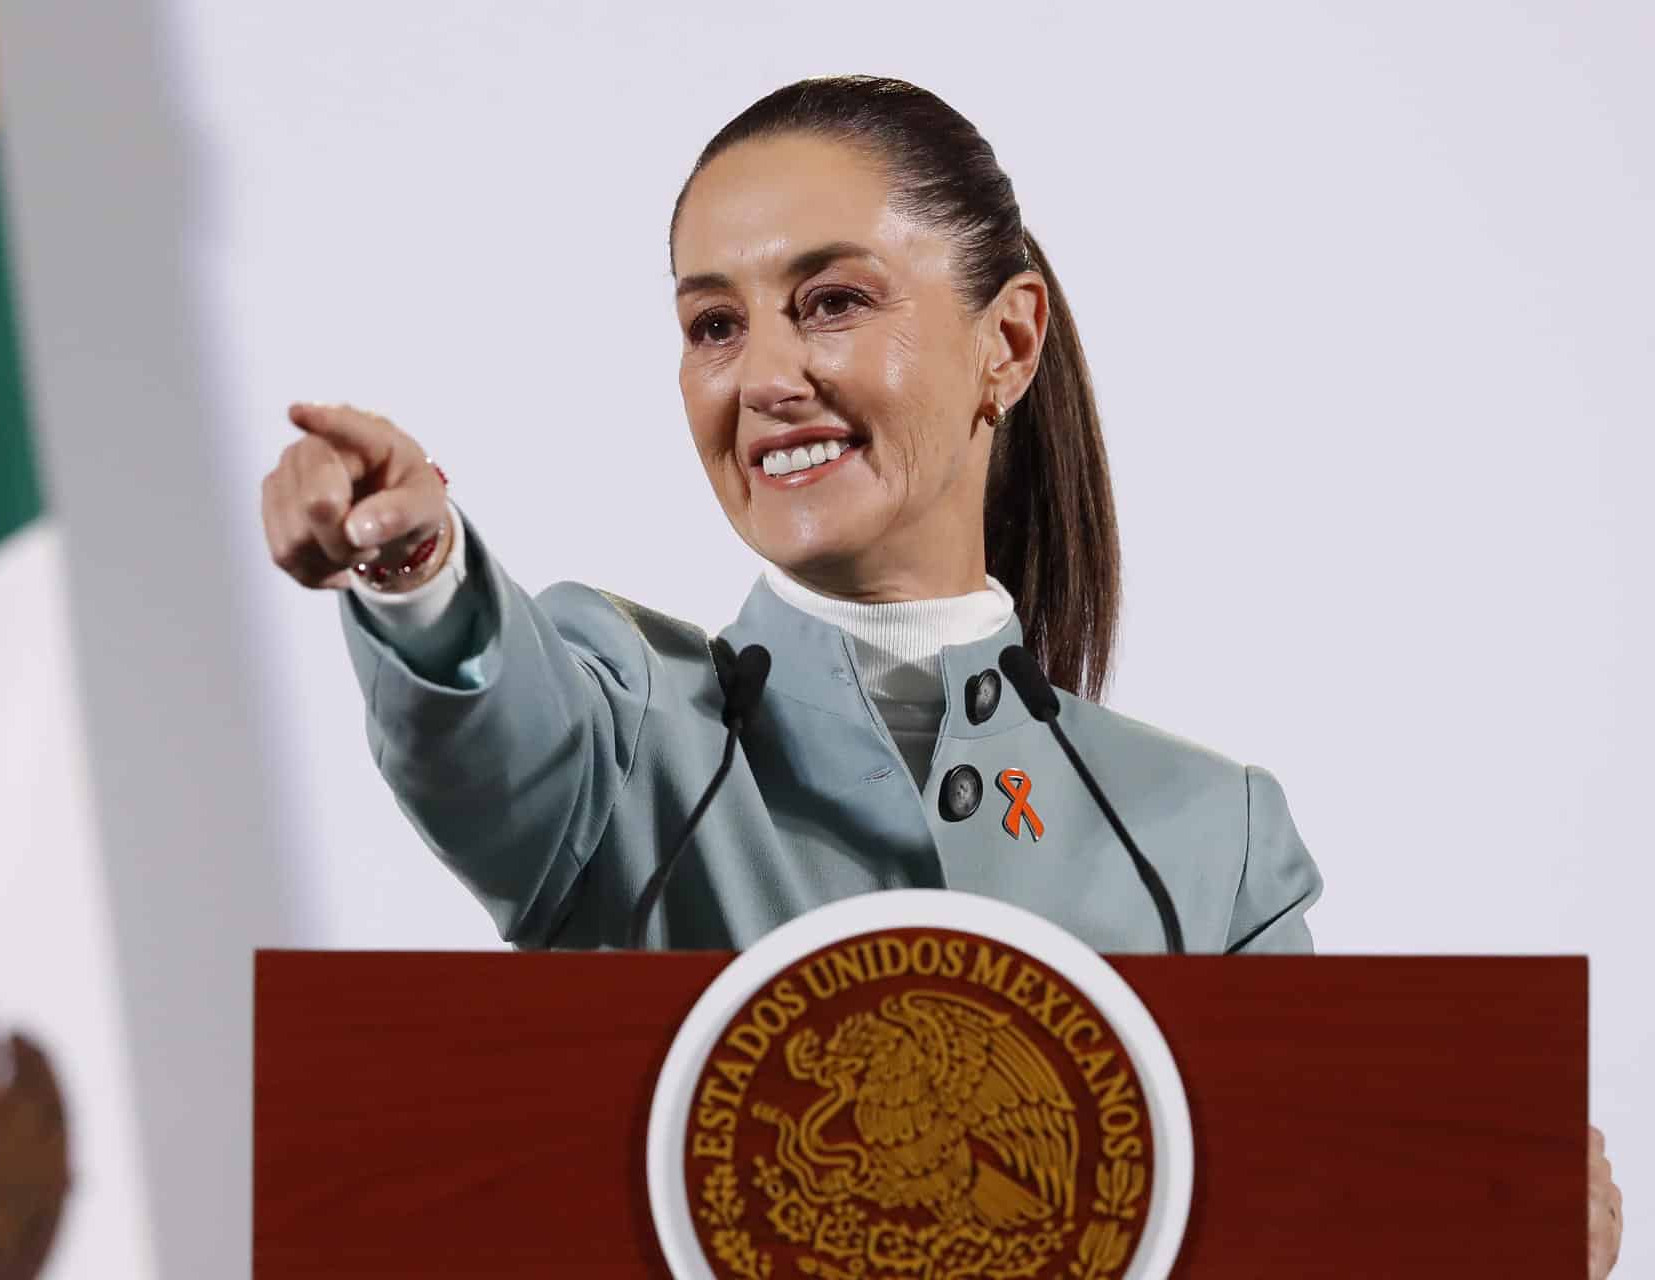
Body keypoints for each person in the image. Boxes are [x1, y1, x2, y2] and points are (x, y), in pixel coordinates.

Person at [260, 76, 1620, 1269]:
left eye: (832, 301)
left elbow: (1300, 1219)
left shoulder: (1212, 842)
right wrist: (418, 570)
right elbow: (493, 728)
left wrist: (1495, 1230)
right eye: (714, 326)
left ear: (1006, 343)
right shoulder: (624, 727)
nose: (765, 375)